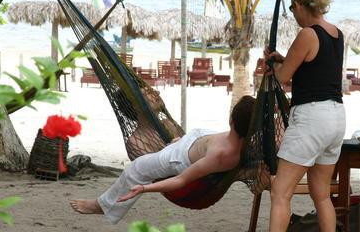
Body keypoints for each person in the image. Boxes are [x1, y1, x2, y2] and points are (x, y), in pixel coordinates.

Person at [234, 0, 346, 232]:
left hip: (312, 117)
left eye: (292, 9)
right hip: (336, 116)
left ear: (299, 6)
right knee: (321, 194)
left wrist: (274, 67)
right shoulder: (336, 34)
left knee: (280, 191)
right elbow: (316, 66)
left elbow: (283, 78)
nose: (293, 14)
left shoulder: (306, 34)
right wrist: (284, 59)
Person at [70, 95, 255, 224]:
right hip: (190, 141)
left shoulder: (223, 155)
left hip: (177, 158)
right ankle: (173, 143)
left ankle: (102, 205)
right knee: (156, 145)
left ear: (231, 120)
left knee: (135, 170)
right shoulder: (242, 139)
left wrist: (144, 188)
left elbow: (181, 180)